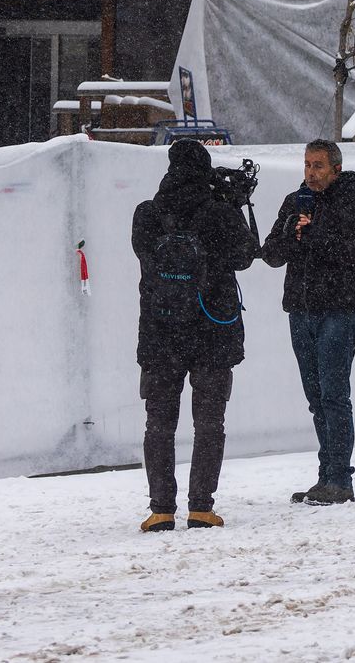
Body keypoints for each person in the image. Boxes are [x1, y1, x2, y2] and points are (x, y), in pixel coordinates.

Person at [132, 138, 259, 532]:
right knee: (208, 423)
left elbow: (143, 255)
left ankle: (161, 510)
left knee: (159, 424)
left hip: (161, 331)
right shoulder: (220, 213)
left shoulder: (148, 213)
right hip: (212, 332)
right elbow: (245, 256)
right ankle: (202, 507)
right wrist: (234, 206)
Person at [262, 139, 355, 506]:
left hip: (339, 311)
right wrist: (292, 234)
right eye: (306, 165)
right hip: (300, 312)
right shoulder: (294, 203)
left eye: (318, 166)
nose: (310, 173)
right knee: (316, 398)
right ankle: (325, 476)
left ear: (336, 168)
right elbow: (270, 254)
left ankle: (340, 479)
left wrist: (321, 238)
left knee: (334, 396)